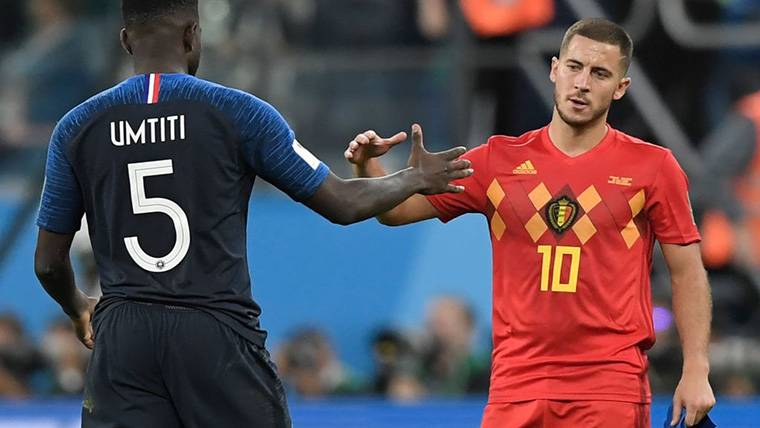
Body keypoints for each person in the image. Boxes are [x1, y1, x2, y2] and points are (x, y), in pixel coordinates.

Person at [32, 0, 472, 427]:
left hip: (123, 338)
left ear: (126, 40)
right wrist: (412, 179)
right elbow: (342, 202)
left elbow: (48, 263)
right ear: (192, 35)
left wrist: (78, 307)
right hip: (213, 329)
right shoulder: (239, 112)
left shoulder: (76, 126)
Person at [345, 18, 715, 428]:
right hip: (514, 389)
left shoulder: (653, 167)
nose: (582, 83)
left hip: (609, 388)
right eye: (574, 67)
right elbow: (394, 212)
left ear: (621, 88)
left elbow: (688, 273)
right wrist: (368, 165)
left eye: (600, 73)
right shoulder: (494, 161)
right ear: (555, 69)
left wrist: (696, 368)